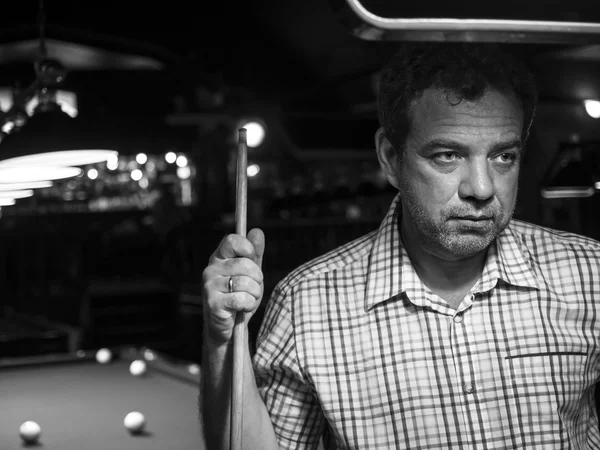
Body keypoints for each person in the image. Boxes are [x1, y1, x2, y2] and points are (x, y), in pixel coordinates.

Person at [200, 43, 600, 449]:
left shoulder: (589, 273)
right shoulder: (306, 301)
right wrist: (220, 340)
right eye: (447, 155)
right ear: (390, 157)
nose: (481, 188)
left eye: (503, 156)